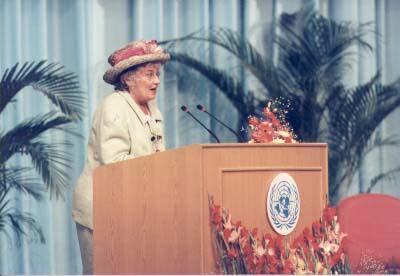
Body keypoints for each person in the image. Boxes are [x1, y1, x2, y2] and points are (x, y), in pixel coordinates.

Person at [72, 40, 170, 274]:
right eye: (149, 74)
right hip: (102, 211)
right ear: (127, 79)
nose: (156, 81)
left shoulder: (151, 109)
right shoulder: (113, 107)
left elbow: (160, 155)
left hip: (134, 209)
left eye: (157, 74)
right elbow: (114, 164)